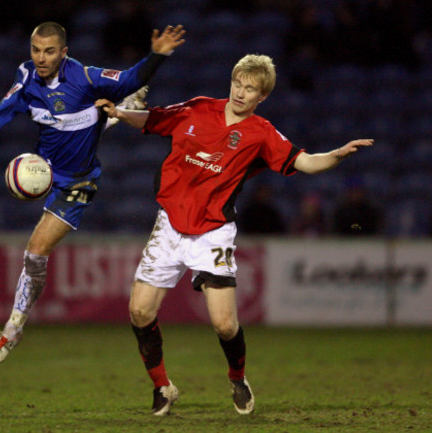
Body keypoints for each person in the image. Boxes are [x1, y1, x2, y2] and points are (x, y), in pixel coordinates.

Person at [96, 53, 373, 415]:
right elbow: (153, 120)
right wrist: (119, 113)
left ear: (263, 97)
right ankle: (162, 386)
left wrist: (337, 154)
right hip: (170, 224)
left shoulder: (261, 133)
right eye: (238, 85)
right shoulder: (197, 109)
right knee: (139, 311)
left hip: (213, 231)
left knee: (225, 325)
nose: (241, 93)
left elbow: (303, 161)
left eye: (250, 89)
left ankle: (237, 377)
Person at [0, 21, 185, 368]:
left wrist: (156, 55)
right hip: (44, 172)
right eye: (36, 50)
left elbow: (130, 78)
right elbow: (2, 111)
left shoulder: (87, 76)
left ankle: (12, 329)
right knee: (88, 118)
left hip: (77, 183)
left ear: (64, 52)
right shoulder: (27, 77)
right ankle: (114, 115)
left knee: (35, 252)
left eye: (49, 51)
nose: (41, 58)